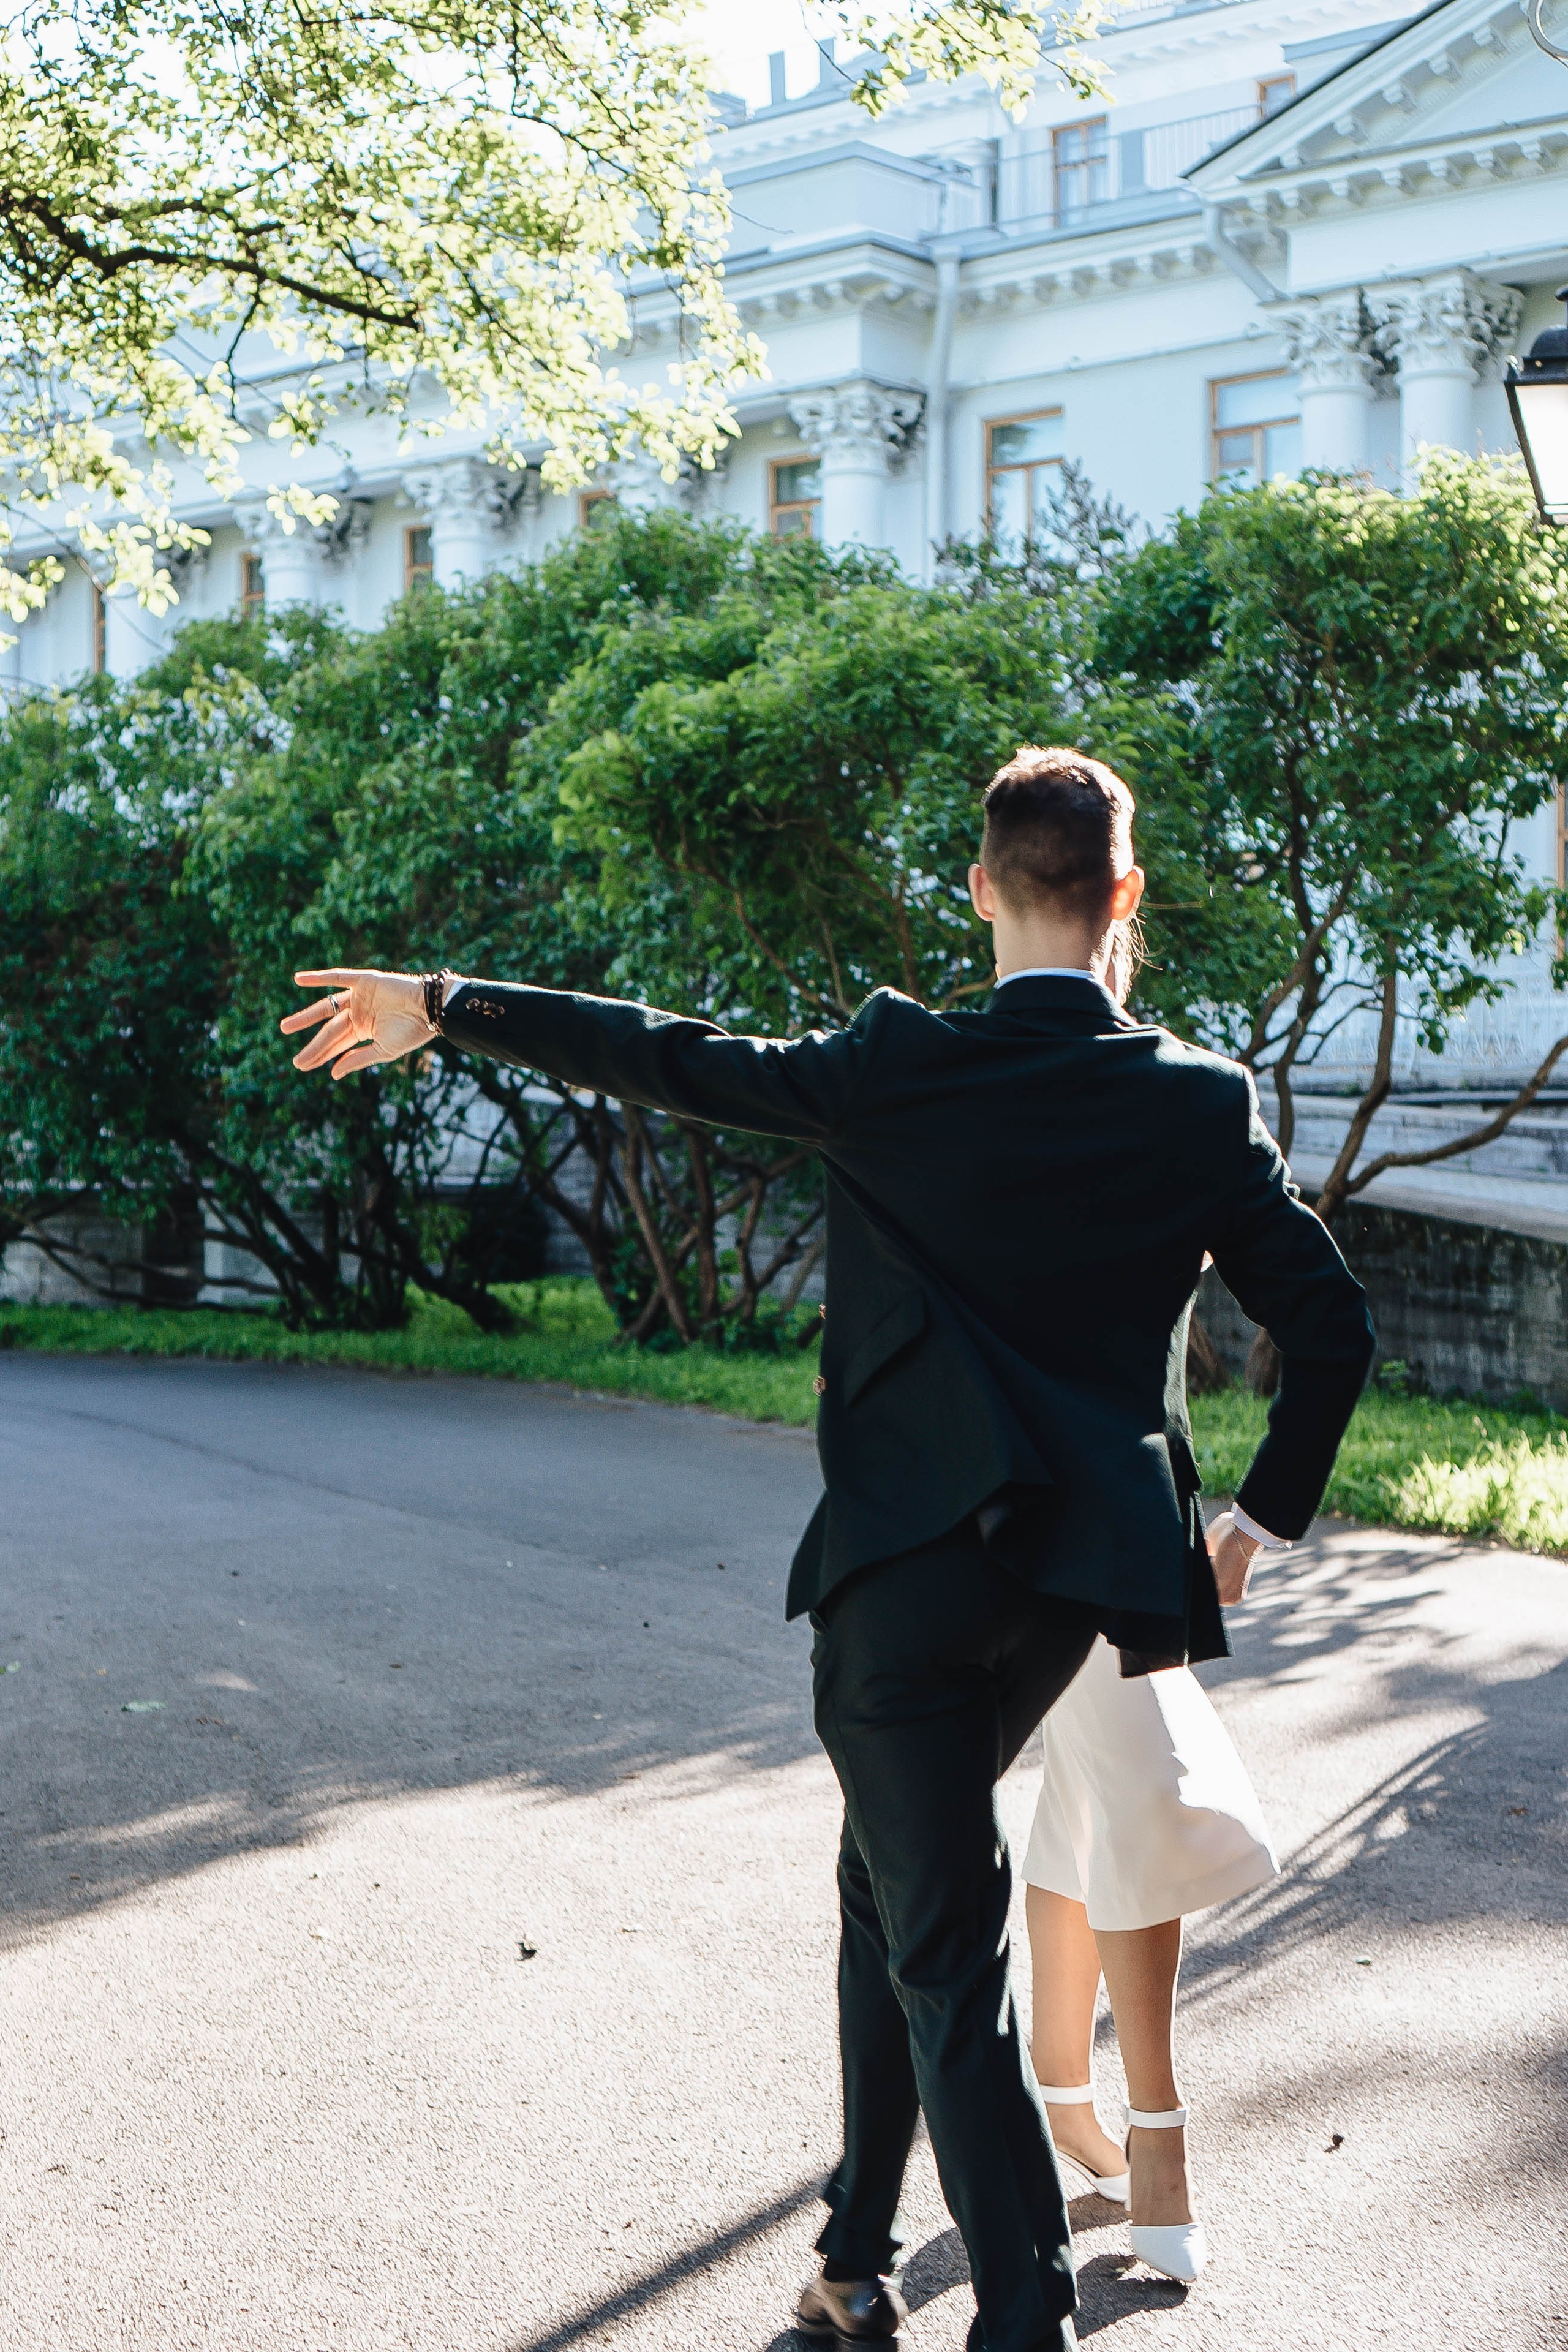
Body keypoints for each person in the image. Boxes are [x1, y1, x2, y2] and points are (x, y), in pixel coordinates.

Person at [281, 747, 1374, 2352]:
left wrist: (450, 999)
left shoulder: (893, 1067)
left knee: (945, 1944)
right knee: (888, 1889)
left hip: (902, 1598)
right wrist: (1255, 1523)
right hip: (1061, 1609)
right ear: (1123, 897)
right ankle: (854, 2258)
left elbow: (672, 1057)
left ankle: (1023, 2309)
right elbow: (1330, 1325)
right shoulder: (1193, 1100)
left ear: (981, 889)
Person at [1022, 1581, 1278, 2285]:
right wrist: (1253, 1527)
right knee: (1143, 1786)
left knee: (1085, 1782)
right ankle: (1156, 2140)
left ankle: (1062, 2095)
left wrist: (1247, 1531)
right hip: (1050, 1502)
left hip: (1104, 1506)